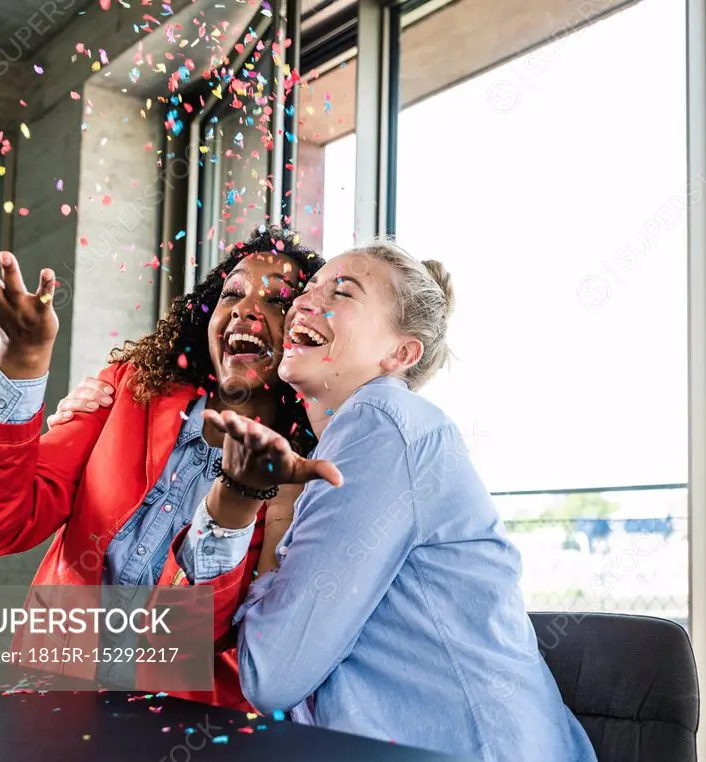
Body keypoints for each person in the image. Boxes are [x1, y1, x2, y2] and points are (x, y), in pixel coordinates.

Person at [200, 242, 598, 761]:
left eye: (336, 291)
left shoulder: (366, 431)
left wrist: (247, 512)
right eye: (230, 293)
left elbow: (267, 672)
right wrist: (64, 642)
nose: (296, 304)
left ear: (400, 354)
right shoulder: (126, 402)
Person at [0, 225, 324, 708]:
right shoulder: (128, 391)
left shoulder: (304, 476)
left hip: (187, 727)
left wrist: (237, 501)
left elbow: (205, 634)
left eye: (276, 301)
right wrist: (21, 361)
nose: (246, 309)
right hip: (50, 698)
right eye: (232, 292)